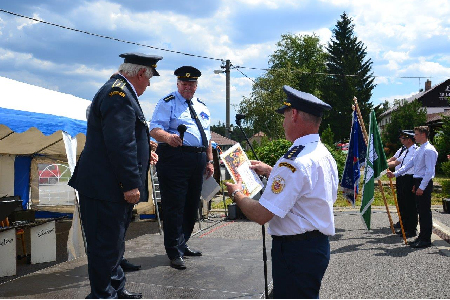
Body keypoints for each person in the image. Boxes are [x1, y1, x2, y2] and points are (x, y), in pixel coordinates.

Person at [225, 85, 338, 298]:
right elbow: (308, 188)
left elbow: (261, 214)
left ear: (293, 114)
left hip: (295, 252)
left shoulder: (293, 162)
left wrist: (237, 193)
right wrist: (270, 171)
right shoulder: (322, 153)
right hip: (315, 248)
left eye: (284, 116)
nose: (284, 122)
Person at [69, 52, 162, 299]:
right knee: (104, 246)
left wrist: (146, 152)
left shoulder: (120, 91)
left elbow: (127, 139)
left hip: (109, 185)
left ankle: (116, 289)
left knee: (114, 243)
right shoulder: (118, 94)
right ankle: (102, 294)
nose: (149, 84)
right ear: (141, 73)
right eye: (149, 78)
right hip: (105, 186)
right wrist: (131, 183)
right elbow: (120, 144)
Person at [149, 66, 214, 270]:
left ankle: (182, 243)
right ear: (178, 84)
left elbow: (208, 136)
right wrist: (168, 137)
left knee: (191, 204)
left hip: (198, 159)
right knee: (174, 205)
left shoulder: (202, 106)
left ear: (196, 86)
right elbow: (154, 128)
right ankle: (173, 250)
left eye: (192, 84)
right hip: (175, 158)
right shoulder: (167, 102)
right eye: (184, 84)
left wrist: (210, 160)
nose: (188, 87)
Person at [387, 126, 438, 248]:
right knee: (420, 210)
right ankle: (421, 237)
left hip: (424, 181)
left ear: (423, 134)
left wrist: (421, 186)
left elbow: (430, 171)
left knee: (425, 212)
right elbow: (409, 164)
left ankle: (426, 239)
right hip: (418, 180)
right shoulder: (420, 149)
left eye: (416, 134)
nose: (414, 137)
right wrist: (395, 173)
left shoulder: (429, 150)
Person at [387, 130, 418, 237]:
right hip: (403, 178)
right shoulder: (406, 151)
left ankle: (411, 229)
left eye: (403, 138)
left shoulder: (415, 151)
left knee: (410, 205)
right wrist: (382, 165)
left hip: (410, 179)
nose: (402, 140)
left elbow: (408, 167)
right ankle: (405, 226)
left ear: (409, 140)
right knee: (404, 203)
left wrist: (394, 173)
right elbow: (396, 162)